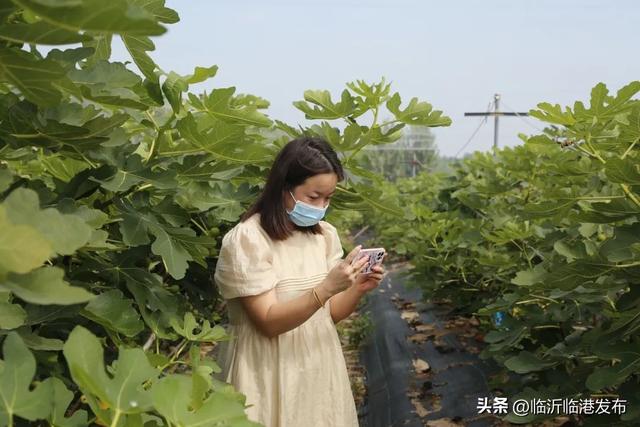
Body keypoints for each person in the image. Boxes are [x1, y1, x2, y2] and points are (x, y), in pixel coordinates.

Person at [213, 136, 386, 427]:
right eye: (313, 196)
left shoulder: (325, 236)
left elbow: (328, 314)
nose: (321, 205)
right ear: (284, 188)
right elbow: (268, 322)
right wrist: (327, 287)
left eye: (328, 198)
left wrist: (357, 287)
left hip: (318, 366)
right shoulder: (248, 239)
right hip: (266, 370)